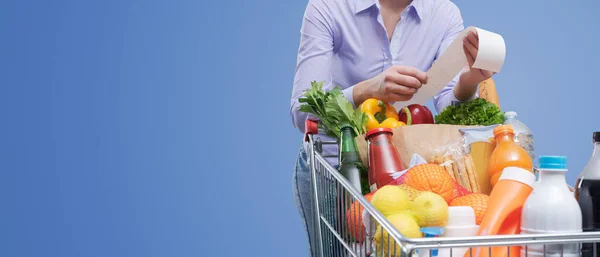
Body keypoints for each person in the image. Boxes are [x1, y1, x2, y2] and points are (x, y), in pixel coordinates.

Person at [289, 0, 492, 255]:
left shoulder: (443, 13)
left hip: (400, 173)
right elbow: (302, 110)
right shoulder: (329, 6)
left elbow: (448, 99)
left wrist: (469, 81)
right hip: (334, 170)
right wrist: (368, 89)